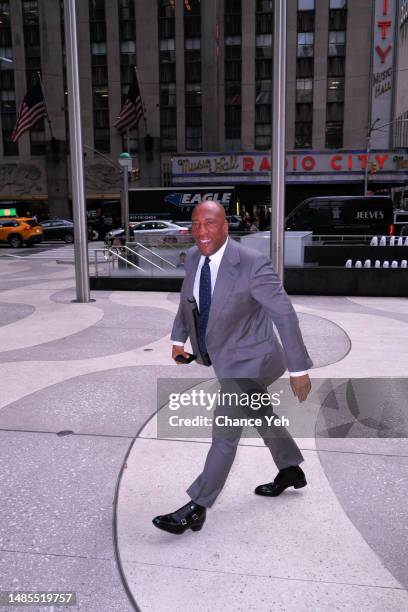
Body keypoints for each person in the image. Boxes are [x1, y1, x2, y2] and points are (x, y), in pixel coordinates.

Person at [152, 201, 312, 535]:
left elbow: (284, 314)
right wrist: (179, 339)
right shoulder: (196, 257)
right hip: (225, 359)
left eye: (210, 223)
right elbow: (189, 301)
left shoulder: (253, 264)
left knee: (224, 432)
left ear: (226, 226)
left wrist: (299, 370)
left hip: (256, 361)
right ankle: (291, 469)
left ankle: (197, 507)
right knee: (261, 414)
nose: (201, 231)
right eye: (195, 223)